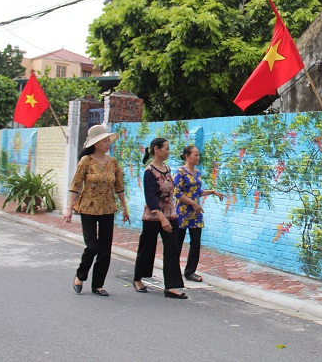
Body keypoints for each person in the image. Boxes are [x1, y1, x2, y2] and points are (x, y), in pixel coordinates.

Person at [63, 124, 129, 297]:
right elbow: (75, 185)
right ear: (95, 143)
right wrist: (68, 208)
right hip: (88, 208)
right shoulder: (86, 161)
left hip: (108, 207)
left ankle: (98, 285)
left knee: (105, 249)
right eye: (104, 140)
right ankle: (80, 275)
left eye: (108, 140)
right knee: (92, 246)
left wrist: (124, 208)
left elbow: (119, 187)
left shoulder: (113, 162)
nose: (108, 143)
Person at [132, 138, 187, 299]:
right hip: (153, 217)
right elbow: (150, 197)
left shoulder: (168, 169)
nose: (168, 151)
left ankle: (171, 286)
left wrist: (170, 215)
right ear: (156, 149)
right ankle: (138, 278)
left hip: (171, 215)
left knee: (172, 249)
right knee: (147, 249)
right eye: (166, 148)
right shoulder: (150, 171)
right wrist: (161, 217)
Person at [174, 145, 224, 282]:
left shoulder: (197, 173)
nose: (198, 157)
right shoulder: (180, 172)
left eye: (198, 155)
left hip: (195, 214)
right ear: (187, 156)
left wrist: (213, 192)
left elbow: (198, 192)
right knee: (177, 243)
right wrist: (192, 203)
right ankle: (173, 270)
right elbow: (176, 192)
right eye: (195, 155)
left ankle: (190, 272)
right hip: (182, 213)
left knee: (195, 242)